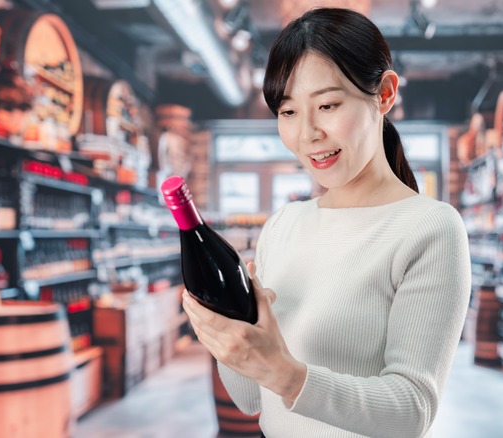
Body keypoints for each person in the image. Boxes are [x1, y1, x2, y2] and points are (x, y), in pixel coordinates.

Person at [182, 7, 471, 438]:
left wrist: (288, 375)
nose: (307, 134)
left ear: (385, 94)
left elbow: (411, 411)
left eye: (328, 105)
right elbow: (250, 400)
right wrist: (230, 337)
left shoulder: (429, 229)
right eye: (288, 112)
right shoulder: (283, 226)